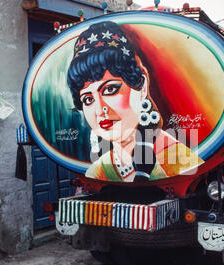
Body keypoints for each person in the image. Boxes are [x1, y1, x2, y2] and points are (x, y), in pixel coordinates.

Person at [67, 21, 203, 182]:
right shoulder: (99, 170)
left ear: (142, 87)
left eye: (110, 90)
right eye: (88, 99)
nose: (99, 110)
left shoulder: (179, 160)